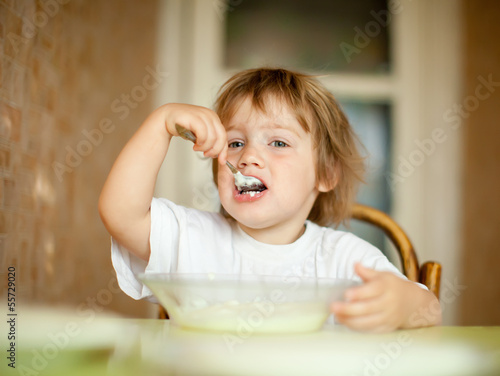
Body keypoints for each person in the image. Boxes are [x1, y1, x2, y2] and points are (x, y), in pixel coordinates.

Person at [99, 67, 441, 332]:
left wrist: (402, 304)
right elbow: (120, 213)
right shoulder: (191, 238)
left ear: (326, 174)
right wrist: (161, 123)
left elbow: (431, 310)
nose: (248, 156)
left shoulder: (344, 259)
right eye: (235, 143)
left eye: (277, 143)